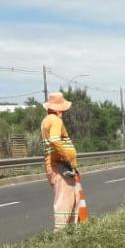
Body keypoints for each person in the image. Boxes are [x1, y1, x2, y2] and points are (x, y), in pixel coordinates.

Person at [41, 91, 81, 231]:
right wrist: (67, 158)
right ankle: (60, 234)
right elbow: (55, 140)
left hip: (55, 165)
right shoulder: (56, 120)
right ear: (59, 108)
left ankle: (72, 230)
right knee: (64, 201)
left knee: (73, 197)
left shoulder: (47, 120)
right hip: (60, 166)